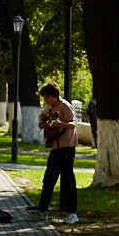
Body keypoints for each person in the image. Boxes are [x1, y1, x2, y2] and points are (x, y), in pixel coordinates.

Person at [32, 81, 78, 224]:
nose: (44, 100)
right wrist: (41, 121)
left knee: (68, 179)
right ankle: (43, 209)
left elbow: (73, 123)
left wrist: (59, 124)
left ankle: (72, 212)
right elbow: (42, 115)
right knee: (49, 178)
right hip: (55, 147)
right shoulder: (51, 106)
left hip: (66, 147)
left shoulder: (64, 105)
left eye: (46, 97)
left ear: (53, 95)